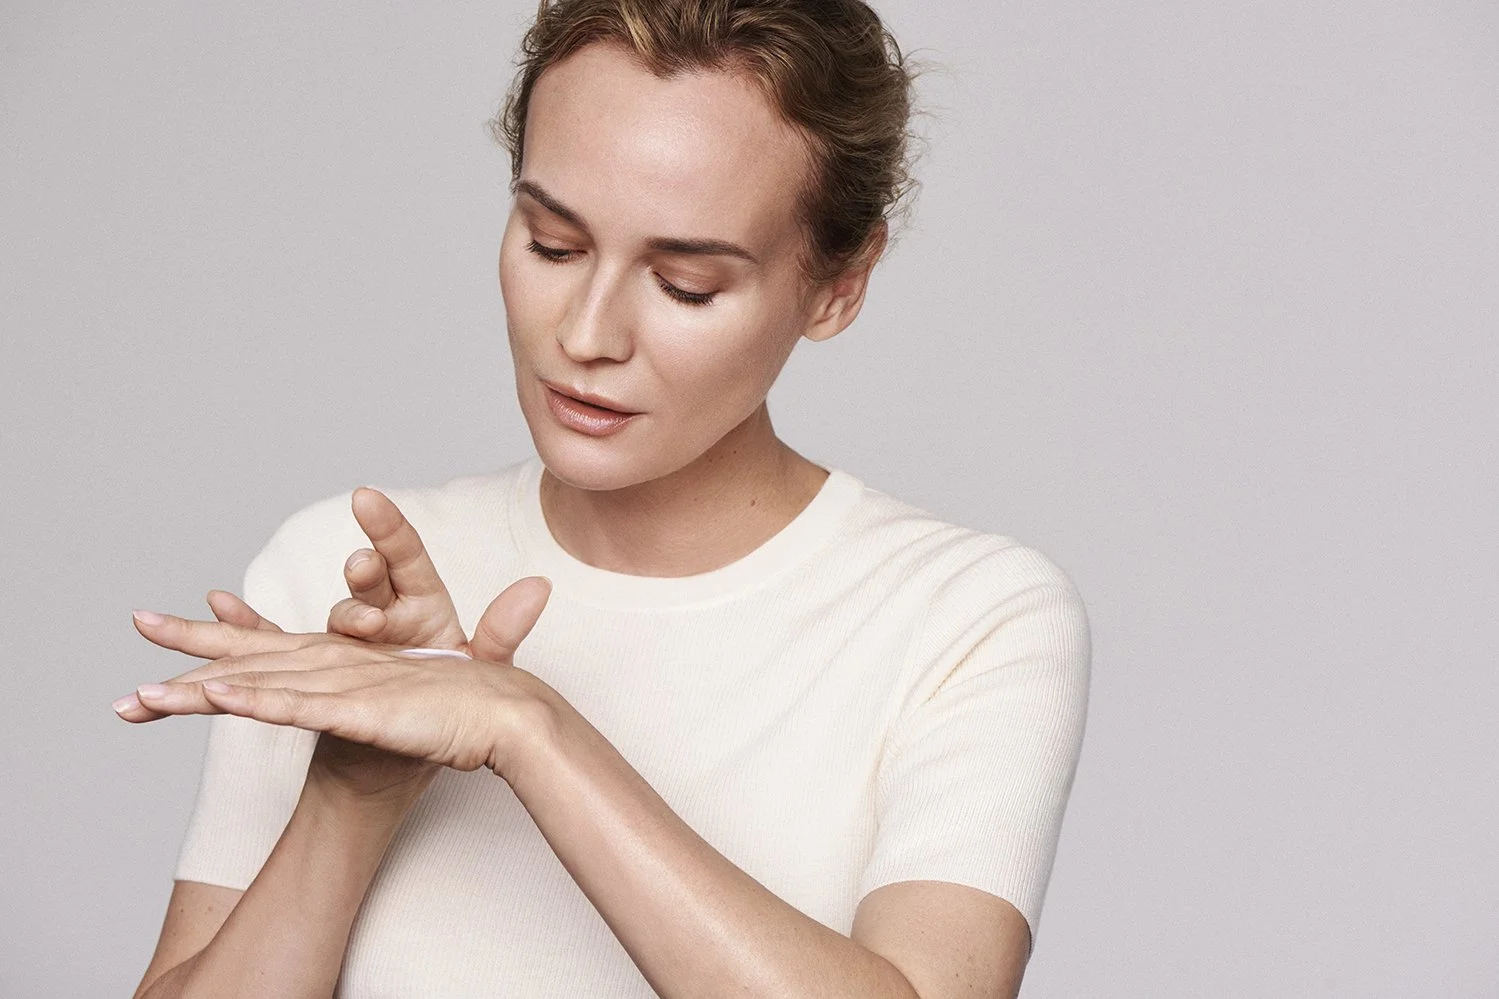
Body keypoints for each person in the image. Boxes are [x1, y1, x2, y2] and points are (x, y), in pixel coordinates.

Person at [115, 1, 1091, 995]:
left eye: (685, 285)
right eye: (553, 245)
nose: (586, 335)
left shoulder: (964, 616)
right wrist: (350, 798)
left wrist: (529, 729)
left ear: (837, 286)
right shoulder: (339, 570)